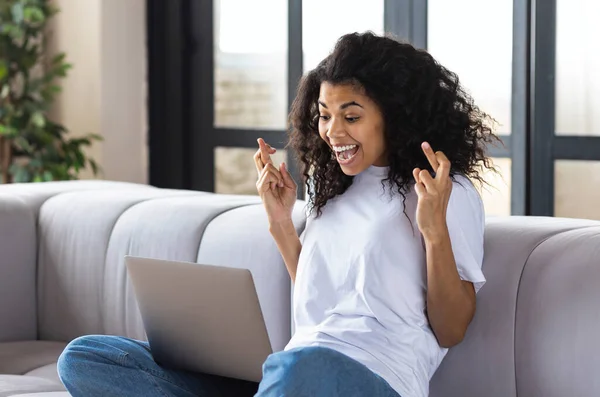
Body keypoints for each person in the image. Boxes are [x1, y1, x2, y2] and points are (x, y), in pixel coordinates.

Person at [57, 32, 500, 397]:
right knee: (87, 357)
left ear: (397, 117)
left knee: (299, 369)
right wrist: (281, 223)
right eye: (324, 116)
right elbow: (319, 309)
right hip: (292, 371)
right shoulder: (333, 189)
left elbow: (451, 329)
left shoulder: (444, 191)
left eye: (351, 115)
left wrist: (434, 231)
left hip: (374, 380)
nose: (333, 132)